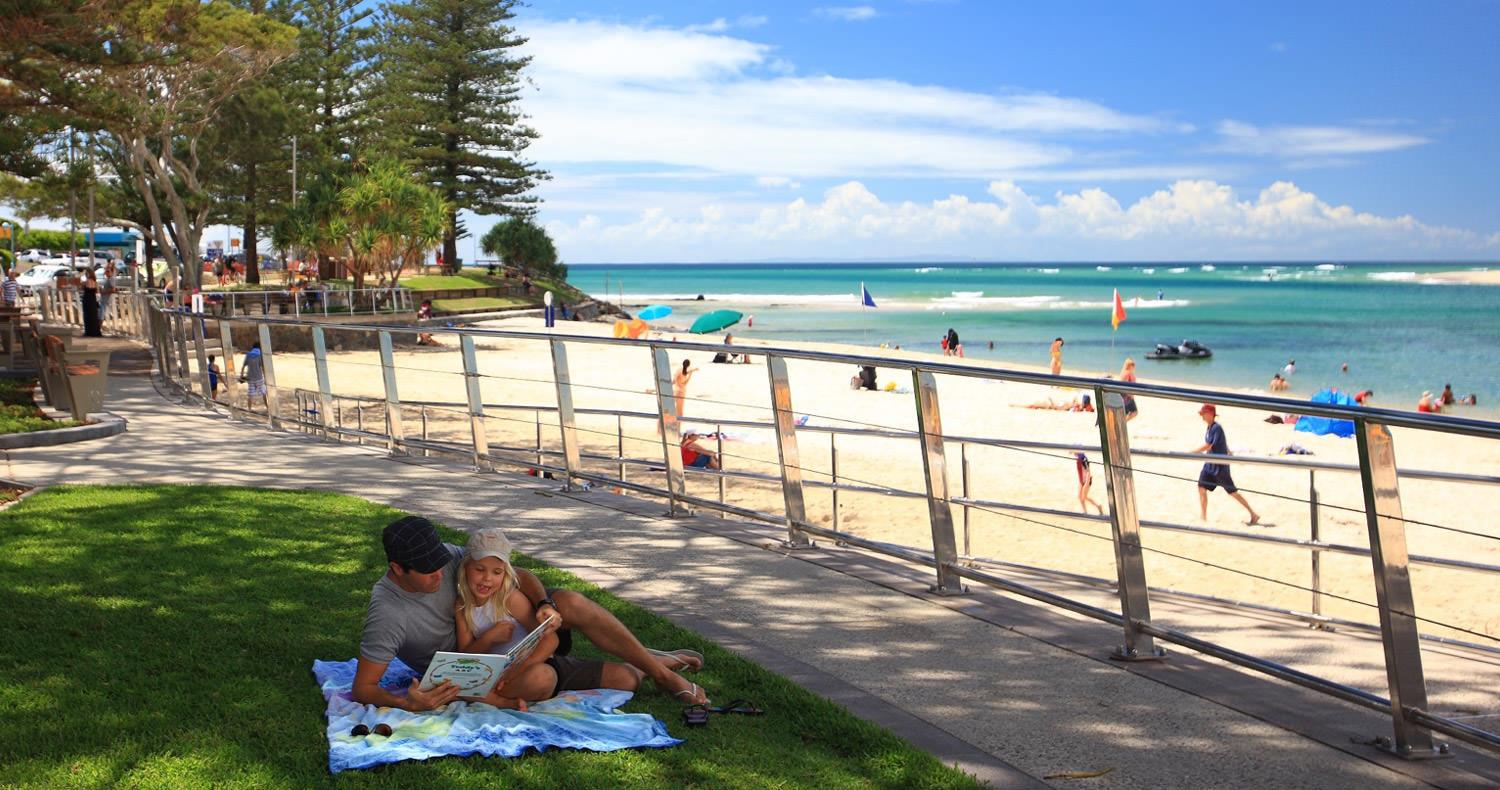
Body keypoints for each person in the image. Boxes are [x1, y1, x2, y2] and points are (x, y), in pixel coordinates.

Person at [351, 516, 707, 712]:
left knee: (570, 600)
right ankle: (644, 663)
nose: (441, 574)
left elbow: (515, 575)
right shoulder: (387, 613)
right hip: (478, 668)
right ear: (398, 569)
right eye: (428, 572)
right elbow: (364, 687)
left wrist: (542, 606)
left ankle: (662, 674)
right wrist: (404, 702)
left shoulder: (444, 556)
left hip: (523, 636)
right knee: (620, 680)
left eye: (441, 564)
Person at [454, 528, 638, 706]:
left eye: (497, 572)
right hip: (494, 675)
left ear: (506, 573)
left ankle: (657, 662)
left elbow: (550, 639)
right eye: (480, 569)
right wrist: (489, 638)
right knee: (458, 684)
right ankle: (503, 702)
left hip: (533, 664)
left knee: (625, 679)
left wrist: (517, 670)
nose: (487, 578)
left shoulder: (509, 598)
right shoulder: (462, 606)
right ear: (466, 567)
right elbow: (465, 656)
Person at [1192, 404, 1260, 525]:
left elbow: (1209, 445)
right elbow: (1223, 443)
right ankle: (1203, 517)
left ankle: (1253, 514)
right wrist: (1230, 453)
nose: (1202, 416)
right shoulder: (1209, 427)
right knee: (1201, 487)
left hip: (1220, 467)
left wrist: (1192, 453)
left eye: (1203, 413)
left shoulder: (1217, 428)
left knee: (1232, 492)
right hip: (1209, 465)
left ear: (1210, 414)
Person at [240, 341, 267, 410]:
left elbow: (243, 366)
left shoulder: (248, 355)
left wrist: (241, 376)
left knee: (250, 394)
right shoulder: (260, 355)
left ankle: (249, 409)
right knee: (264, 393)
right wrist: (265, 377)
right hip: (259, 377)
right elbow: (262, 367)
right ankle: (268, 407)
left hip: (250, 378)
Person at [81, 267, 103, 337]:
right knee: (93, 316)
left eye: (86, 273)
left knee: (87, 316)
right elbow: (98, 292)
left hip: (87, 300)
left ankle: (88, 331)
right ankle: (95, 331)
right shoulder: (96, 282)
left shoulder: (86, 282)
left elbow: (81, 287)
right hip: (93, 300)